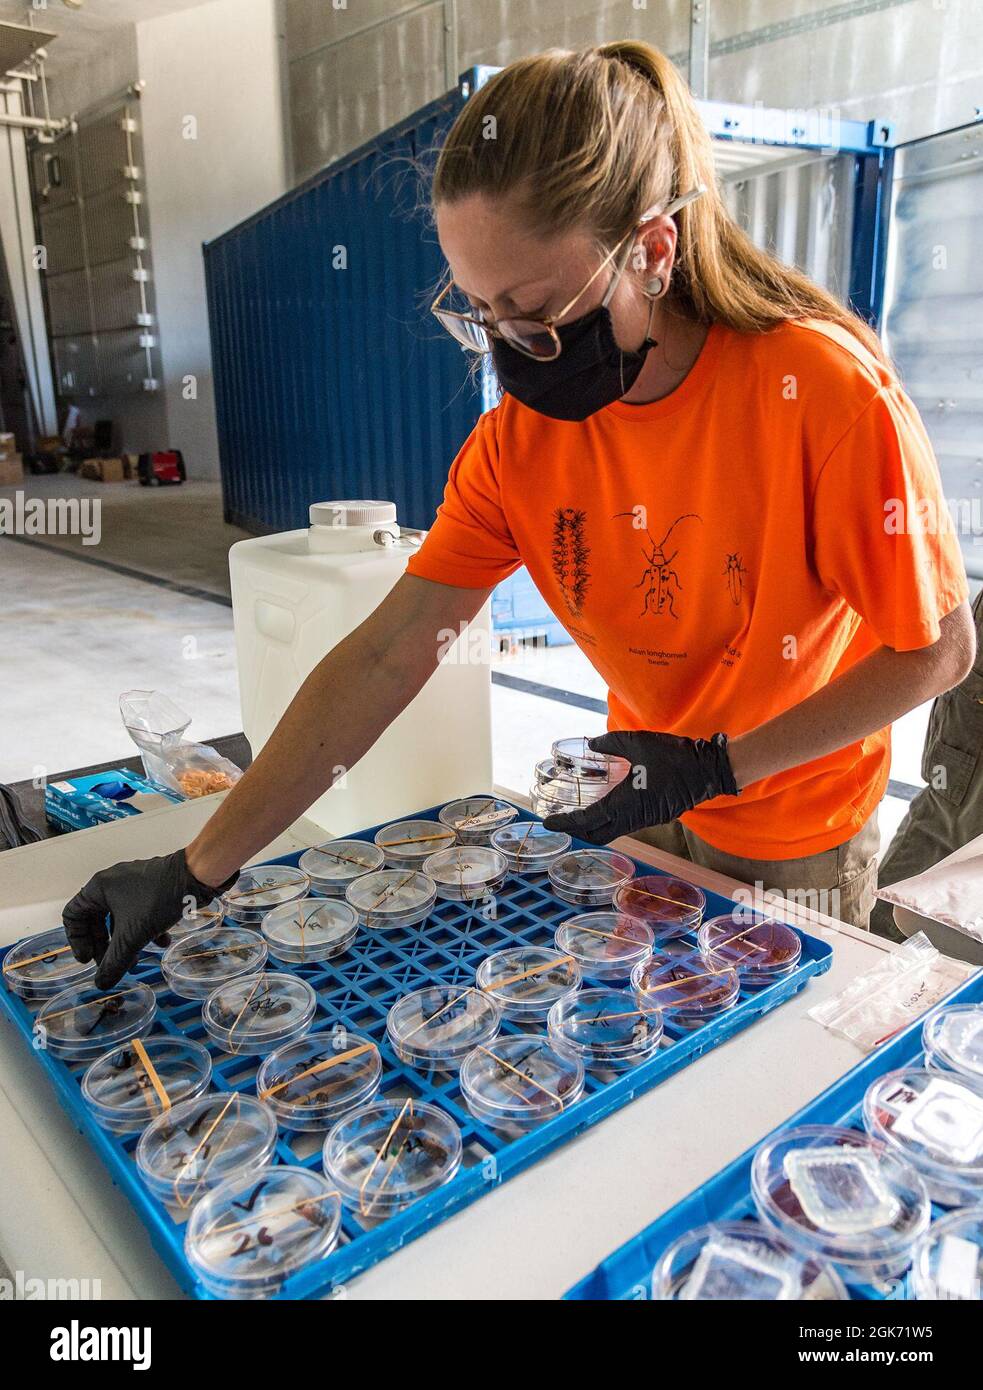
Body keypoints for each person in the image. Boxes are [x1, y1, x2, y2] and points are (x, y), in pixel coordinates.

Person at [63, 41, 974, 988]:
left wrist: (717, 766)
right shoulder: (519, 445)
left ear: (652, 251)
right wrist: (194, 868)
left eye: (535, 312)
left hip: (799, 831)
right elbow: (387, 655)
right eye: (481, 316)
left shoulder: (818, 395)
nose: (512, 351)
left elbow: (936, 653)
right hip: (641, 799)